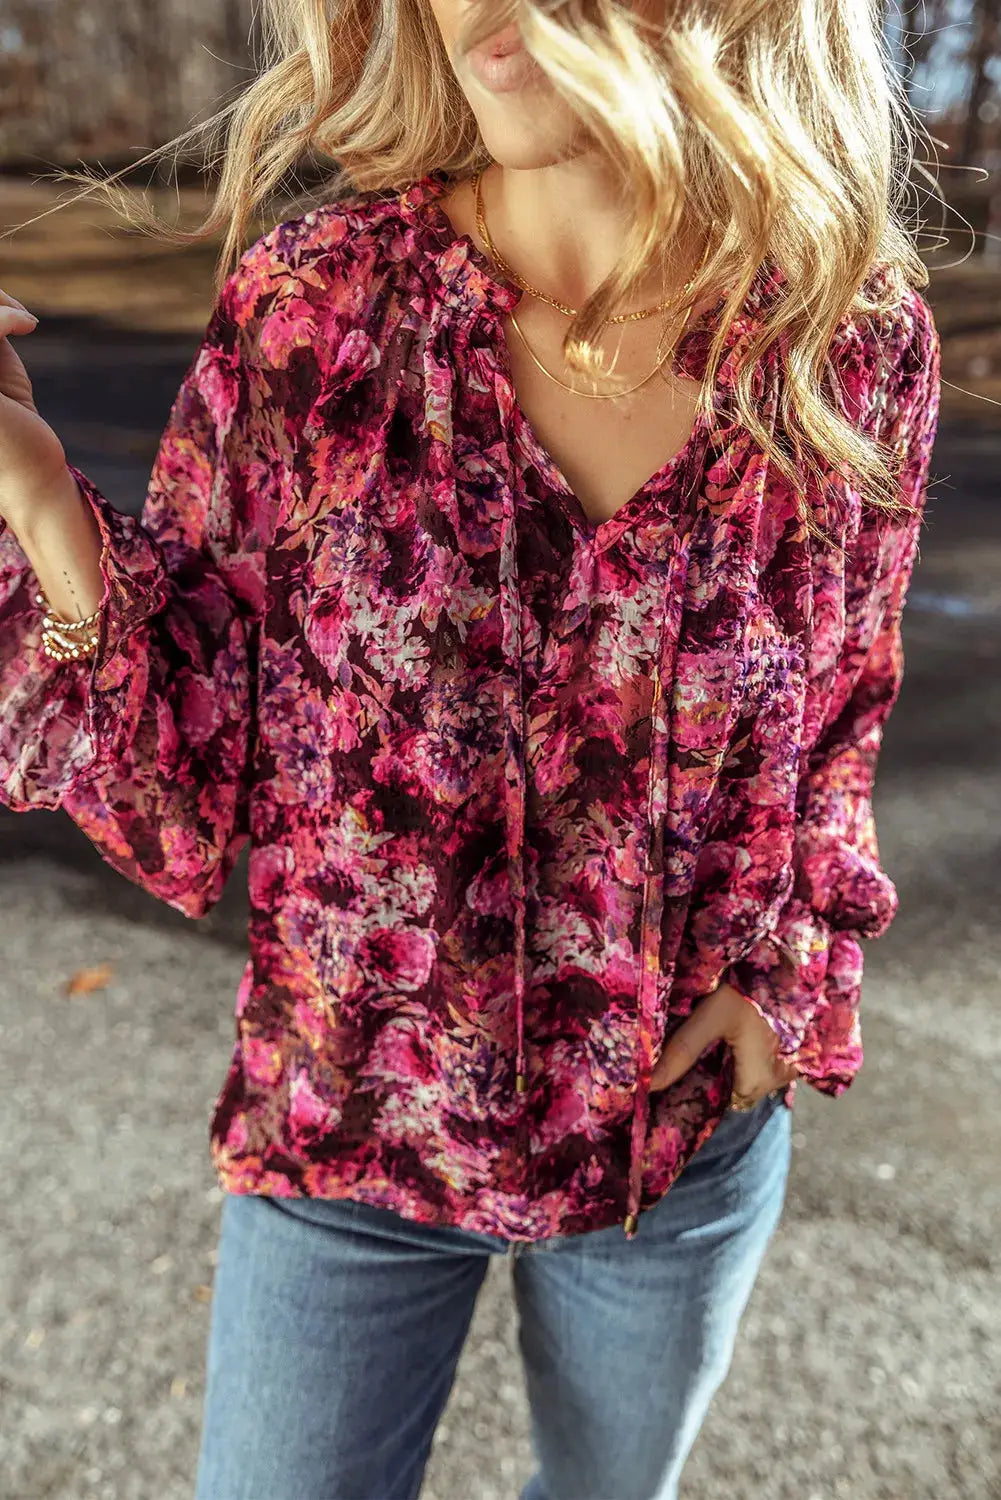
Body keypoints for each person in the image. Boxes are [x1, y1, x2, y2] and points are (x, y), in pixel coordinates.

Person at [0, 2, 941, 1497]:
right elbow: (187, 765)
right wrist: (45, 514)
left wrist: (791, 966)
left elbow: (841, 703)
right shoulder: (315, 309)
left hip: (668, 1155)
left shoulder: (841, 336)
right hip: (348, 1145)